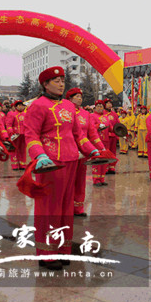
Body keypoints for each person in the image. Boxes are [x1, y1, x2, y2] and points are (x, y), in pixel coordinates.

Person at [24, 66, 99, 270]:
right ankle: (46, 253)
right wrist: (39, 155)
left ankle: (64, 249)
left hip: (71, 159)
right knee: (49, 208)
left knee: (66, 208)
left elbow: (78, 135)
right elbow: (31, 134)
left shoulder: (68, 106)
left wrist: (92, 151)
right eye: (56, 81)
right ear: (45, 84)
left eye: (62, 80)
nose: (60, 84)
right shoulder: (37, 106)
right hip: (49, 163)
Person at [66, 87, 105, 215]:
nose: (80, 99)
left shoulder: (85, 114)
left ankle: (78, 208)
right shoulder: (65, 112)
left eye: (80, 97)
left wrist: (101, 147)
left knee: (80, 180)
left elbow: (92, 134)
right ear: (70, 99)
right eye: (76, 96)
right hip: (68, 152)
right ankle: (66, 208)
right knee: (68, 181)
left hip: (83, 152)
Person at [91, 100, 110, 186]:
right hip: (97, 141)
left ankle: (102, 178)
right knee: (97, 160)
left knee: (104, 160)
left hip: (106, 140)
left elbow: (110, 127)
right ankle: (96, 179)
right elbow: (91, 127)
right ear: (95, 107)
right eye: (98, 106)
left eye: (101, 106)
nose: (100, 108)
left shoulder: (106, 117)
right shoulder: (92, 116)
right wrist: (98, 126)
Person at [6, 100, 27, 170]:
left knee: (23, 150)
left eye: (22, 105)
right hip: (15, 135)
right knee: (14, 150)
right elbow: (9, 125)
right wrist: (11, 132)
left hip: (23, 135)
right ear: (16, 107)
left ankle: (22, 165)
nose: (21, 107)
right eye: (19, 105)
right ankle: (14, 165)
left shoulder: (25, 114)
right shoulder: (12, 114)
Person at [104, 99, 119, 174]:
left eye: (110, 103)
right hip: (104, 136)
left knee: (113, 152)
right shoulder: (102, 113)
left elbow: (118, 124)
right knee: (106, 152)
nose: (109, 105)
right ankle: (105, 167)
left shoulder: (114, 114)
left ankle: (112, 167)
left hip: (113, 136)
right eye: (107, 103)